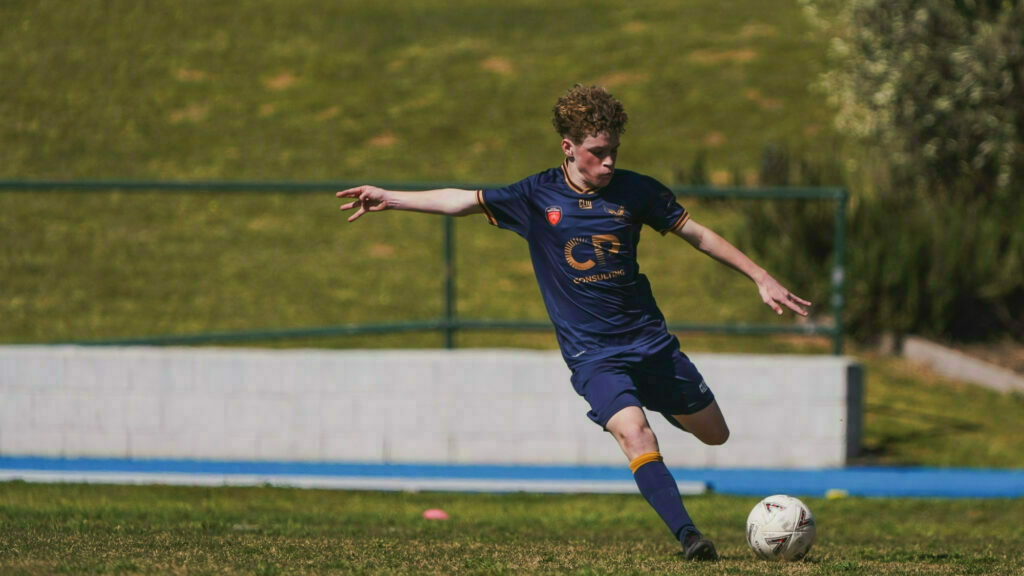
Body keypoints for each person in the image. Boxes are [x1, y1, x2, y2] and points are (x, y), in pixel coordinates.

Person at [337, 84, 811, 561]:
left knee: (715, 434)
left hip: (649, 343)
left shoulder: (637, 191)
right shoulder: (534, 196)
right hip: (593, 355)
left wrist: (760, 276)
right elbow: (459, 200)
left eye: (613, 153)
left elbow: (699, 234)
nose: (607, 163)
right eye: (597, 153)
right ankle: (690, 537)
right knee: (635, 434)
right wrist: (389, 198)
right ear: (569, 148)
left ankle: (655, 395)